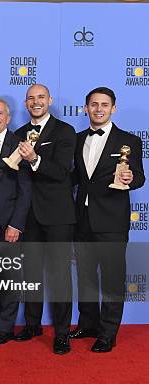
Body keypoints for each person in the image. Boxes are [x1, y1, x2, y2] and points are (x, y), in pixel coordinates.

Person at [69, 87, 144, 352]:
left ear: (113, 108)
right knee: (86, 277)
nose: (98, 109)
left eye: (104, 104)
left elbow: (139, 176)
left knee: (112, 278)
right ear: (86, 108)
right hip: (82, 220)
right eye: (93, 104)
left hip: (112, 222)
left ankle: (108, 332)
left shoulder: (129, 141)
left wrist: (130, 178)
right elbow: (73, 179)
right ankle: (87, 324)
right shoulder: (76, 140)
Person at [15, 84, 76, 355]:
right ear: (25, 103)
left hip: (58, 216)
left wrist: (35, 158)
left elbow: (63, 172)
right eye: (31, 98)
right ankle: (32, 325)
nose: (36, 102)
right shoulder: (17, 135)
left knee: (60, 275)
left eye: (41, 97)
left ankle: (62, 333)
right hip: (28, 216)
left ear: (49, 100)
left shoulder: (64, 131)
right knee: (30, 275)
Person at [0, 98, 32, 346]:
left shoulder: (19, 145)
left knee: (9, 279)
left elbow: (26, 189)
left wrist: (16, 224)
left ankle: (5, 328)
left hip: (8, 223)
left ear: (9, 118)